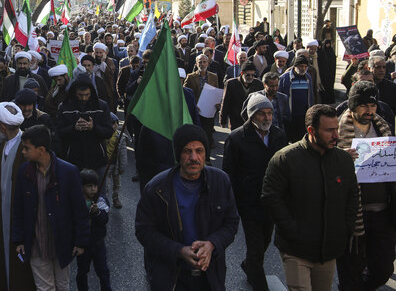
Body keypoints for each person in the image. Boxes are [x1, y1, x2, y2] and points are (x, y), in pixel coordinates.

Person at [262, 104, 359, 291]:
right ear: (311, 130)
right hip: (296, 250)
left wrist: (345, 228)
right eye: (329, 130)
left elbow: (352, 195)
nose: (336, 135)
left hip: (328, 250)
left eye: (336, 129)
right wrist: (292, 229)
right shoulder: (285, 159)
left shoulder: (343, 160)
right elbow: (271, 197)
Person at [135, 124, 239, 291]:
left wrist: (212, 244)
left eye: (199, 151)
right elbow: (144, 231)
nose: (193, 157)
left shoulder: (221, 182)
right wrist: (179, 250)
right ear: (178, 154)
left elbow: (231, 223)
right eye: (187, 151)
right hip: (171, 277)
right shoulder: (156, 188)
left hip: (210, 276)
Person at [12, 125, 90, 291]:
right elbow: (18, 209)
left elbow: (79, 210)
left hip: (61, 244)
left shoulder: (68, 172)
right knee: (44, 288)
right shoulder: (23, 173)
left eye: (26, 148)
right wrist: (18, 239)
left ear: (41, 150)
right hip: (36, 245)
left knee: (62, 286)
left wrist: (80, 241)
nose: (23, 152)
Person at [222, 94, 288, 291]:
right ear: (252, 116)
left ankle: (249, 265)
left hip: (272, 200)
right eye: (261, 114)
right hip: (248, 202)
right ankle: (259, 282)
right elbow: (228, 174)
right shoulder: (236, 138)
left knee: (266, 240)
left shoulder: (279, 135)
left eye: (269, 113)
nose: (267, 118)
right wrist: (230, 202)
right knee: (256, 245)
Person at [335, 81, 395, 290]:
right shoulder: (336, 130)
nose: (369, 111)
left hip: (382, 213)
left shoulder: (384, 128)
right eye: (364, 106)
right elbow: (320, 162)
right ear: (352, 106)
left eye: (373, 106)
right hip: (352, 216)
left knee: (383, 269)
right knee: (351, 271)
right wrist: (340, 158)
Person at [0, 102, 36, 291]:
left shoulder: (25, 148)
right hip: (4, 214)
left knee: (19, 262)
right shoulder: (4, 143)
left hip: (19, 217)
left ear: (3, 127)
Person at [56, 74, 114, 188]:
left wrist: (93, 128)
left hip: (97, 160)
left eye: (87, 95)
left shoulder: (102, 106)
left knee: (99, 196)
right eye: (80, 95)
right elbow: (59, 132)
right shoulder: (64, 107)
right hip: (73, 160)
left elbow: (108, 132)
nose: (83, 98)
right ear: (74, 92)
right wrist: (73, 128)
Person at [76, 169, 112, 291]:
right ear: (81, 187)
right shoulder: (78, 202)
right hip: (83, 244)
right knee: (82, 271)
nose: (93, 189)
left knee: (103, 270)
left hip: (98, 243)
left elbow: (104, 219)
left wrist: (97, 213)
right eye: (89, 186)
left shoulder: (100, 201)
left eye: (95, 186)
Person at [183, 54, 219, 147]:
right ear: (196, 64)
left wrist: (217, 103)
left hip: (209, 111)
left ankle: (207, 158)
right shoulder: (190, 77)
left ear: (208, 63)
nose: (202, 64)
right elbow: (185, 93)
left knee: (208, 134)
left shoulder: (214, 76)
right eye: (200, 62)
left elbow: (216, 92)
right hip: (196, 110)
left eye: (204, 62)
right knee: (196, 134)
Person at [279, 55, 314, 142]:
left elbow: (311, 96)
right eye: (301, 66)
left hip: (303, 115)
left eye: (305, 67)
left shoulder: (308, 78)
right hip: (289, 116)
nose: (303, 69)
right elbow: (279, 96)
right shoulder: (285, 78)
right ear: (295, 66)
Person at [220, 62, 263, 130]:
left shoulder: (258, 84)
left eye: (253, 75)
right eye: (248, 75)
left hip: (252, 120)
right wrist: (223, 120)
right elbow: (225, 102)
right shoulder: (231, 84)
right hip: (235, 120)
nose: (250, 77)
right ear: (242, 73)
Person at [105, 113, 128, 209]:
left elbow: (123, 154)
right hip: (106, 164)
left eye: (116, 123)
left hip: (116, 164)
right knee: (106, 184)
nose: (115, 126)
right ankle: (104, 200)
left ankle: (115, 197)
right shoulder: (104, 135)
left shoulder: (120, 137)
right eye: (112, 123)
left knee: (117, 183)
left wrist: (122, 166)